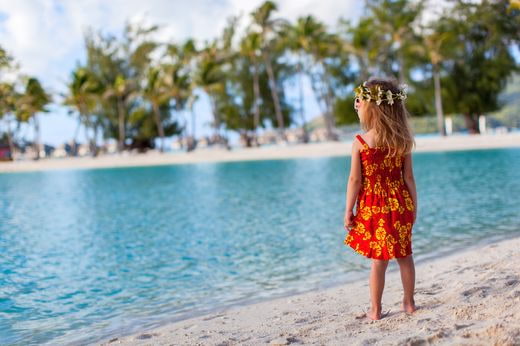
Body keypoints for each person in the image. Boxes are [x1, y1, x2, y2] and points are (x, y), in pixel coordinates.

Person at [343, 77, 418, 321]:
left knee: (379, 261)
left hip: (374, 207)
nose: (356, 104)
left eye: (360, 100)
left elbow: (355, 181)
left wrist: (348, 210)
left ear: (373, 107)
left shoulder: (361, 142)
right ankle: (408, 303)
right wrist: (413, 207)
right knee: (404, 256)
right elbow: (408, 177)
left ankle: (375, 310)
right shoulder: (402, 139)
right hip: (400, 204)